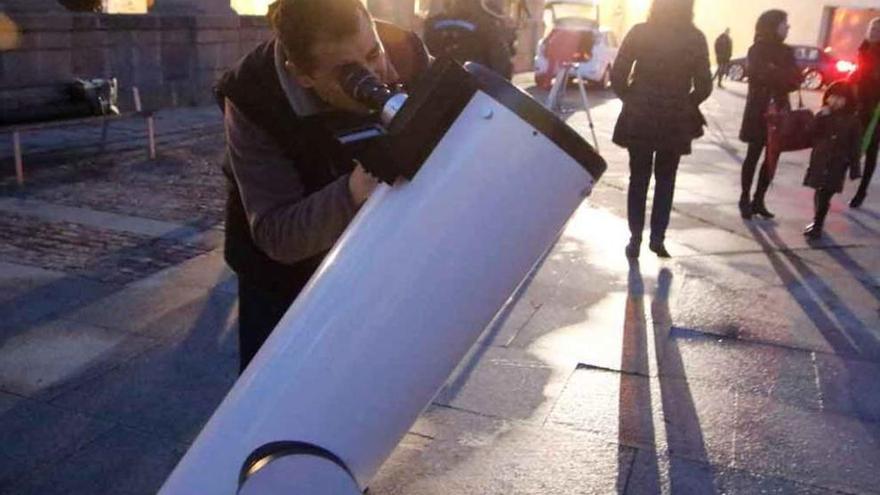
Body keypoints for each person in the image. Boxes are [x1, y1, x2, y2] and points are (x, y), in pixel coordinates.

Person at [215, 0, 429, 372]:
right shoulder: (252, 96)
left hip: (373, 260)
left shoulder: (407, 51)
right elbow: (277, 233)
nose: (372, 77)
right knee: (274, 398)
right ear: (302, 76)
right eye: (349, 73)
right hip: (281, 280)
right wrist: (357, 188)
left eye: (373, 53)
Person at [611, 0, 712, 259]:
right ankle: (658, 238)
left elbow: (618, 75)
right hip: (675, 117)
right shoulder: (695, 37)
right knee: (666, 179)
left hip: (640, 114)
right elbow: (704, 85)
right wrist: (686, 102)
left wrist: (632, 98)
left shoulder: (640, 32)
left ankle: (635, 238)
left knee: (638, 178)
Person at [738, 10, 802, 220]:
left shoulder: (787, 51)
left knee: (772, 155)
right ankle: (745, 197)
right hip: (759, 110)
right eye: (785, 23)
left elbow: (796, 80)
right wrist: (778, 73)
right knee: (753, 154)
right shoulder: (757, 49)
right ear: (773, 25)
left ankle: (759, 199)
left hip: (780, 110)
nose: (788, 27)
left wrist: (774, 72)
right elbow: (758, 74)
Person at [802, 81, 862, 239]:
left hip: (837, 163)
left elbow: (855, 145)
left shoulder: (852, 121)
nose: (835, 101)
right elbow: (809, 133)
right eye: (832, 97)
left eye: (840, 98)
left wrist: (855, 168)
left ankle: (818, 224)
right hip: (820, 160)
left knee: (825, 194)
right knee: (818, 191)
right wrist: (820, 116)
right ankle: (817, 221)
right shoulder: (823, 115)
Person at [423, 0, 515, 79]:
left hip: (435, 90)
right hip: (475, 92)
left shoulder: (431, 24)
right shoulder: (486, 25)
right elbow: (502, 68)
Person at [849, 17, 880, 208]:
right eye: (873, 27)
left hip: (876, 107)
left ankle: (862, 191)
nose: (875, 31)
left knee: (871, 148)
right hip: (860, 104)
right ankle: (853, 171)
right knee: (852, 142)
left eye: (879, 29)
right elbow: (860, 72)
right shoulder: (864, 47)